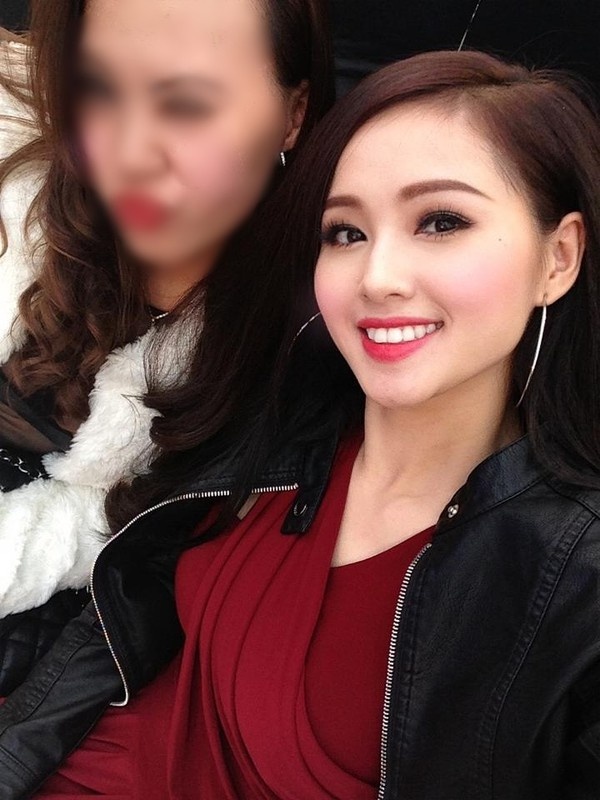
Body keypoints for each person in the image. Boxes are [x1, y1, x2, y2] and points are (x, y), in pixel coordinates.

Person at [2, 48, 600, 798]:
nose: (378, 277)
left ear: (559, 257)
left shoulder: (576, 582)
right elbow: (113, 632)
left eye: (441, 221)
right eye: (344, 232)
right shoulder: (280, 414)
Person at [0, 0, 333, 696]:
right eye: (99, 89)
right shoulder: (22, 211)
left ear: (293, 113)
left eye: (188, 102)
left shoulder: (299, 348)